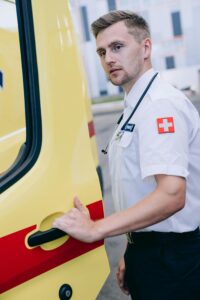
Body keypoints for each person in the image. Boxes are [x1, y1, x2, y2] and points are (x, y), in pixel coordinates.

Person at [53, 10, 200, 300]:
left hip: (173, 260)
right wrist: (130, 250)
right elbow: (139, 190)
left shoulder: (160, 104)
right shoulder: (136, 104)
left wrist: (97, 229)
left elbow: (172, 195)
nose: (108, 58)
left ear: (145, 48)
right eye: (102, 51)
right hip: (149, 249)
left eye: (117, 47)